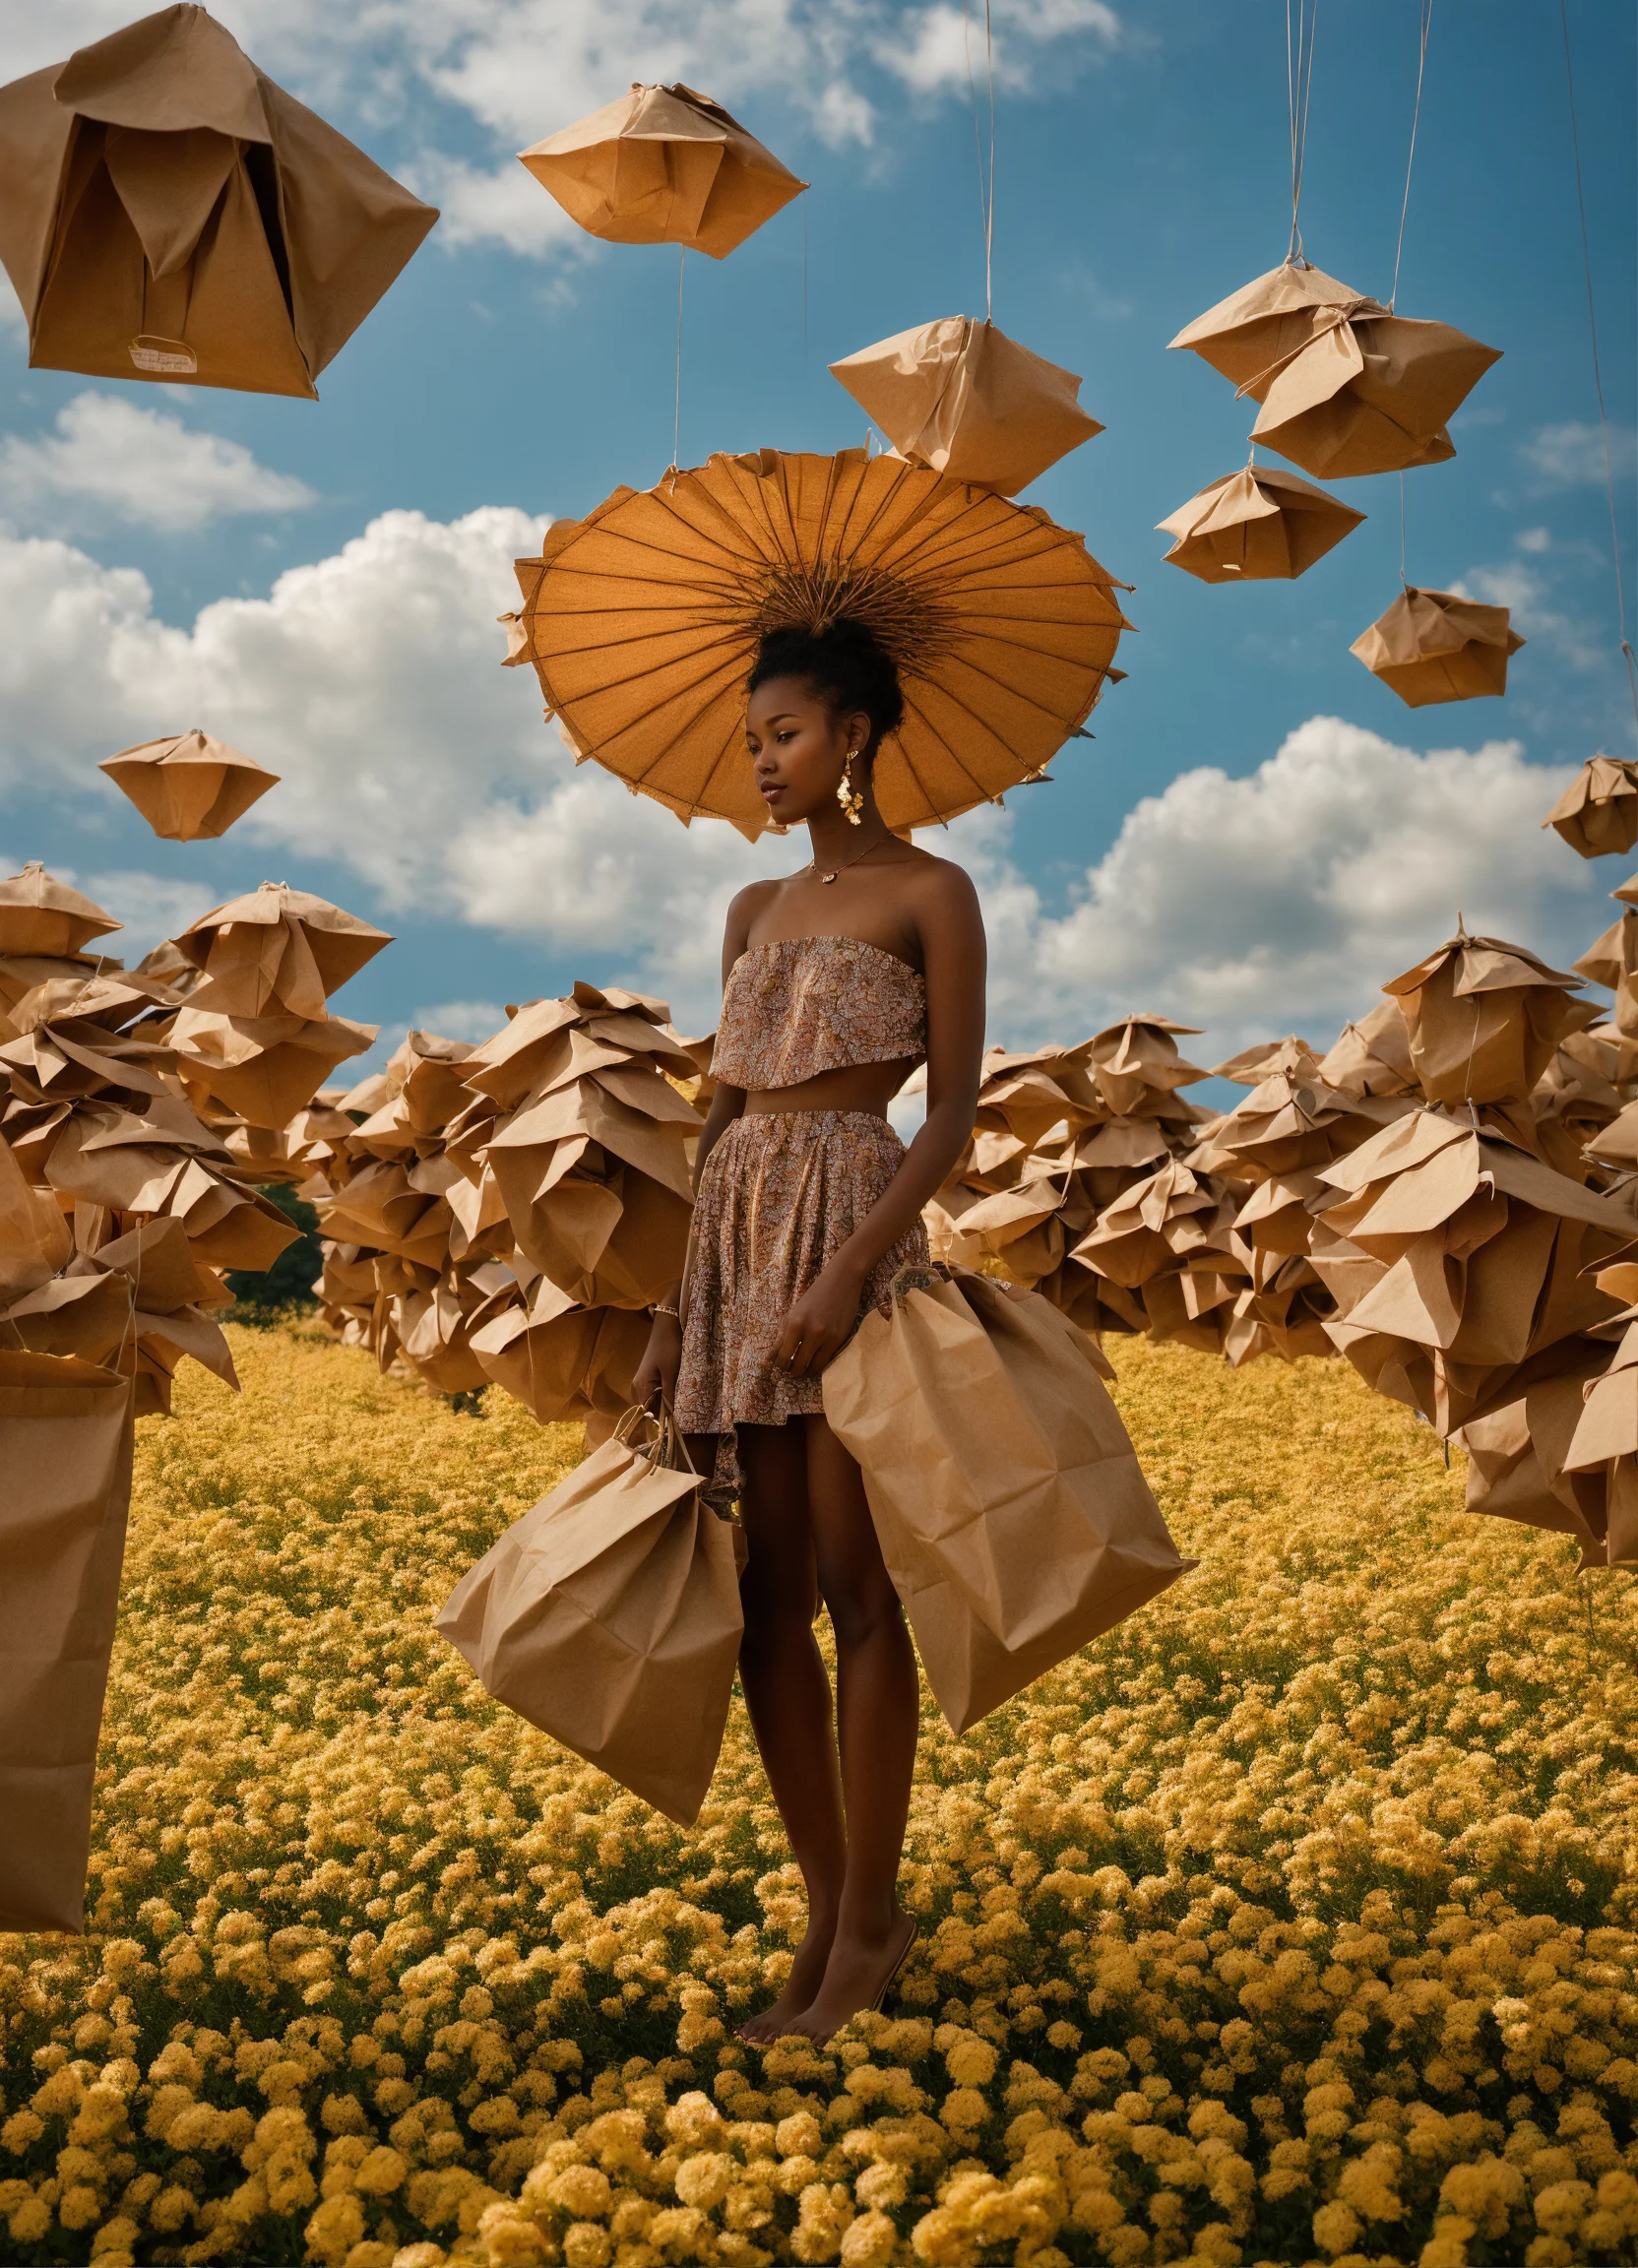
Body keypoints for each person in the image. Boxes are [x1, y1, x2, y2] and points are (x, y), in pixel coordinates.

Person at [634, 615, 985, 2045]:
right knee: (760, 1608)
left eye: (782, 735)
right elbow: (719, 1110)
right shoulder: (750, 911)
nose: (762, 762)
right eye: (750, 742)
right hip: (733, 1229)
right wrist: (674, 1313)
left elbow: (953, 1108)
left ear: (851, 731)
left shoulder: (934, 890)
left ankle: (865, 1929)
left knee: (859, 1588)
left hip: (850, 1214)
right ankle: (836, 1913)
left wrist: (849, 1272)